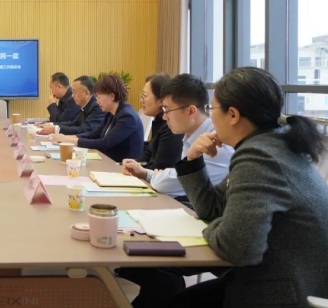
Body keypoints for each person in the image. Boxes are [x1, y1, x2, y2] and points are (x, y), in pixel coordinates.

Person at [122, 67, 328, 307]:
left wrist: (216, 226)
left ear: (233, 115)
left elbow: (237, 248)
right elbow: (211, 209)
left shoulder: (261, 158)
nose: (209, 117)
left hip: (282, 292)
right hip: (270, 276)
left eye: (212, 109)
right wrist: (192, 160)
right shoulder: (268, 146)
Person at [122, 74, 232, 203]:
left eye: (167, 110)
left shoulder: (216, 142)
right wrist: (146, 173)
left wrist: (159, 177)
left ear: (191, 111)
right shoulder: (190, 135)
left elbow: (178, 182)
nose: (164, 117)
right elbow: (179, 176)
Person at [51, 74, 144, 162]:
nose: (97, 101)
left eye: (99, 97)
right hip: (107, 161)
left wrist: (69, 140)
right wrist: (66, 138)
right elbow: (94, 134)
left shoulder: (127, 117)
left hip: (119, 166)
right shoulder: (111, 113)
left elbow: (104, 143)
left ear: (112, 96)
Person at [121, 73, 184, 172]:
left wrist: (138, 169)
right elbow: (149, 153)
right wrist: (133, 164)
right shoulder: (158, 121)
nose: (141, 100)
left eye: (144, 96)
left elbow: (159, 167)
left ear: (160, 100)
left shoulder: (171, 127)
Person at [37, 75, 104, 135]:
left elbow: (85, 129)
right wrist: (51, 125)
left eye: (75, 92)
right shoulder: (86, 104)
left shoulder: (97, 106)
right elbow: (74, 123)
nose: (72, 95)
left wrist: (56, 129)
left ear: (86, 93)